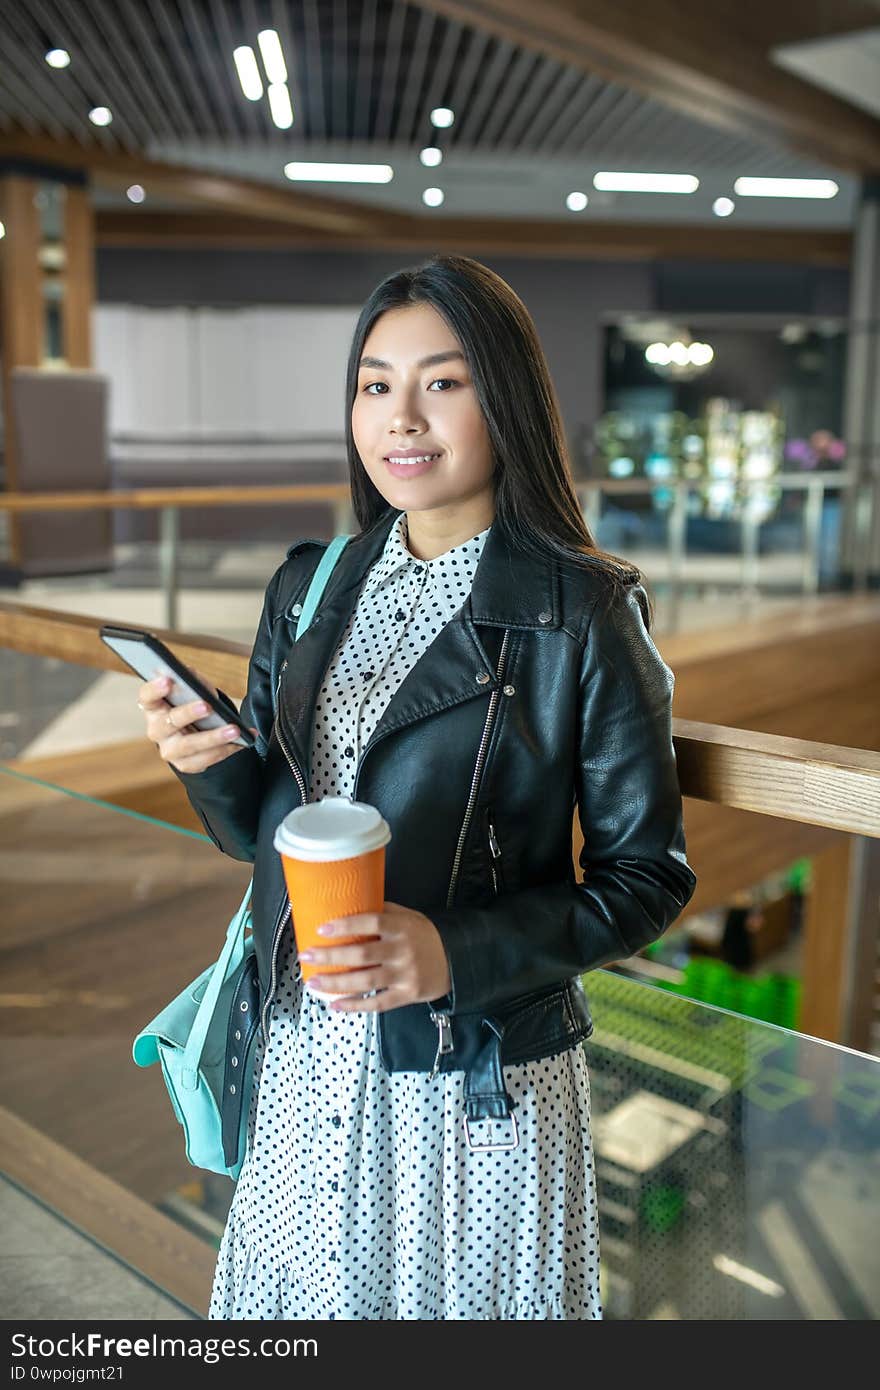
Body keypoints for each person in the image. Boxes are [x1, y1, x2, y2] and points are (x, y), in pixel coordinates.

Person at [137, 254, 697, 1321]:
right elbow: (272, 832)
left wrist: (451, 952)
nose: (402, 417)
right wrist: (209, 767)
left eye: (442, 382)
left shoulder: (580, 612)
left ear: (507, 399)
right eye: (373, 383)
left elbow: (644, 880)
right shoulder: (312, 585)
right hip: (303, 1058)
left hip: (472, 1084)